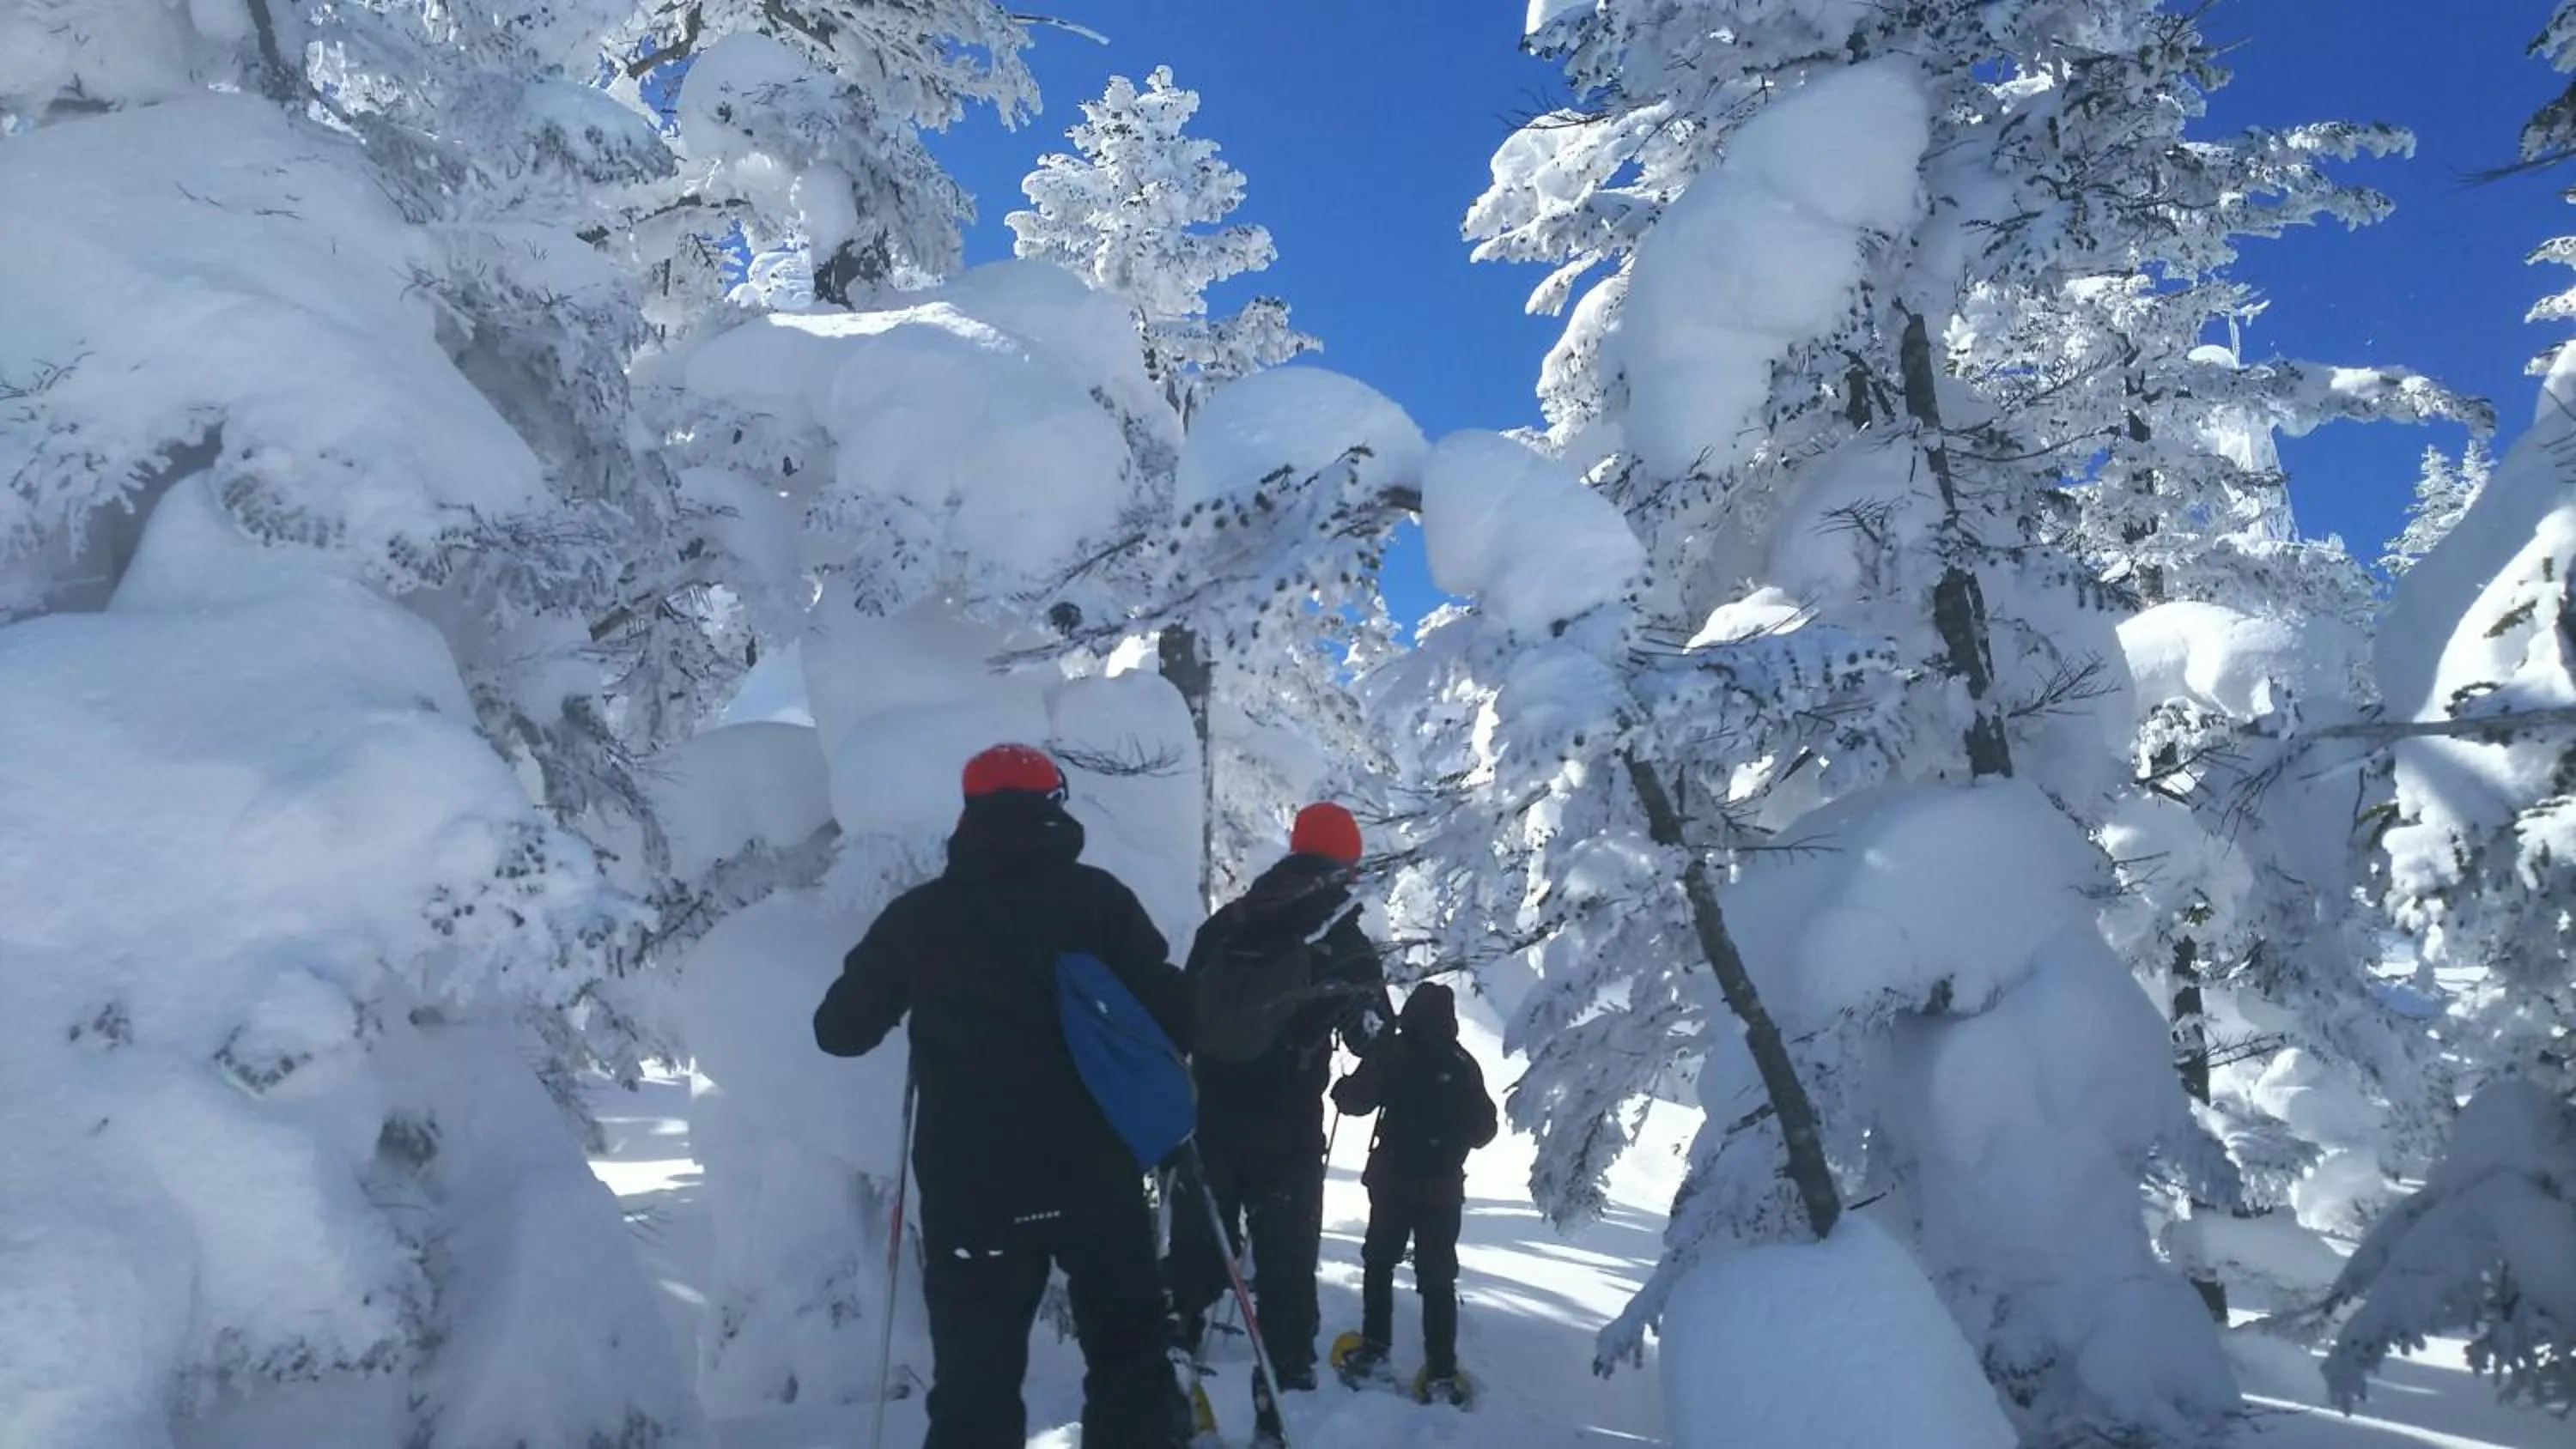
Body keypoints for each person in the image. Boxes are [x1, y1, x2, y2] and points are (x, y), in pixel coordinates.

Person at [813, 743, 1194, 1449]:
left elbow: (839, 1032)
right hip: (1095, 1181)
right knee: (1130, 1355)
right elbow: (1179, 1016)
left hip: (973, 1193)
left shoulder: (920, 917)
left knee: (975, 1383)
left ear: (969, 815)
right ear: (1054, 807)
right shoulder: (1099, 901)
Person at [1166, 801, 1393, 1391]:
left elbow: (1181, 1006)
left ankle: (1174, 1349)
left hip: (1208, 1116)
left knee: (1196, 1252)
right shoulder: (1339, 937)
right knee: (1287, 1265)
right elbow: (1373, 1037)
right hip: (1286, 1131)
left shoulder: (1233, 920)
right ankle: (1285, 1382)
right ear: (1348, 863)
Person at [1327, 979, 1498, 1405]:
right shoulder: (1463, 1063)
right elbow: (1485, 1131)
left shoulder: (1395, 1052)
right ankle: (1441, 1372)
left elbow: (1357, 1101)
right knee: (1437, 1278)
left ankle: (1374, 1350)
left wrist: (1340, 1090)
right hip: (1442, 1188)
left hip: (1393, 1181)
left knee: (1379, 1261)